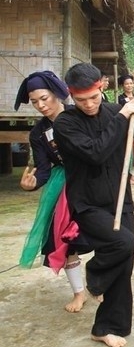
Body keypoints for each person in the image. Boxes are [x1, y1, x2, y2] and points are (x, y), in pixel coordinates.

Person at [53, 62, 134, 347]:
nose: (89, 104)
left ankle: (106, 327)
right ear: (71, 97)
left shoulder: (115, 112)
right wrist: (123, 115)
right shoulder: (65, 124)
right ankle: (95, 277)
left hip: (121, 199)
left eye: (94, 97)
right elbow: (96, 153)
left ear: (101, 87)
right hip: (88, 204)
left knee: (125, 264)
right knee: (123, 243)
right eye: (81, 100)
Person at [15, 71, 90, 313]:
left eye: (44, 98)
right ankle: (79, 292)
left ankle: (102, 285)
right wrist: (34, 182)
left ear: (57, 93)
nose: (40, 105)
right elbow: (44, 170)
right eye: (35, 101)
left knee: (105, 235)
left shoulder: (80, 115)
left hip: (91, 179)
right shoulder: (38, 133)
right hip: (63, 186)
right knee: (64, 239)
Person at [118, 74, 134, 185]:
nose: (129, 86)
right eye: (126, 84)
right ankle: (128, 175)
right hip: (126, 127)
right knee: (128, 150)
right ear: (123, 86)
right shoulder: (120, 98)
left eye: (131, 83)